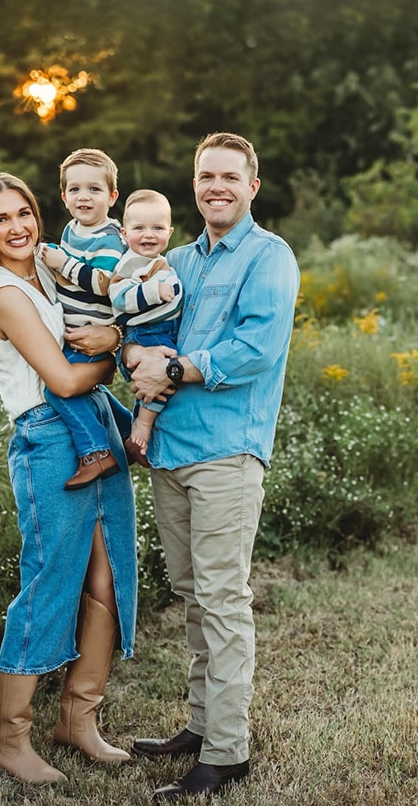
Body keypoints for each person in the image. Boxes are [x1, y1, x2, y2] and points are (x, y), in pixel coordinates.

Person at [123, 132, 300, 801]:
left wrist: (174, 366)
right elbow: (140, 331)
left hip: (228, 452)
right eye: (206, 176)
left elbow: (255, 345)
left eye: (230, 176)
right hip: (169, 450)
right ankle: (200, 724)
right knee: (195, 596)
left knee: (223, 600)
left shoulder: (269, 257)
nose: (216, 186)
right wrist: (132, 357)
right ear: (193, 184)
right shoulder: (173, 259)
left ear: (252, 185)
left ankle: (227, 753)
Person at [0, 172, 138, 786]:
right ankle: (9, 738)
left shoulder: (50, 268)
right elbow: (62, 380)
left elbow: (112, 295)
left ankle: (78, 721)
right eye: (0, 219)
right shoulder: (3, 293)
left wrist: (114, 330)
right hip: (49, 439)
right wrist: (116, 353)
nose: (17, 227)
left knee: (108, 575)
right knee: (50, 580)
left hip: (94, 430)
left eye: (24, 212)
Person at [41, 148, 135, 489]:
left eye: (94, 190)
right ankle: (127, 430)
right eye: (76, 189)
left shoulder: (109, 239)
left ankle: (97, 452)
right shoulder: (72, 228)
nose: (84, 197)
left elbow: (102, 283)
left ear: (112, 196)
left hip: (92, 332)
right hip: (77, 330)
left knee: (57, 388)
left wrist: (60, 264)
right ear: (64, 196)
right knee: (86, 389)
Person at [109, 189, 183, 456]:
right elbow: (118, 297)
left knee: (160, 376)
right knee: (165, 374)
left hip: (160, 330)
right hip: (148, 332)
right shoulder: (129, 264)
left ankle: (140, 427)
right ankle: (142, 423)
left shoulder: (158, 260)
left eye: (157, 227)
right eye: (139, 228)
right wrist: (154, 292)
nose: (149, 234)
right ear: (124, 234)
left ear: (169, 233)